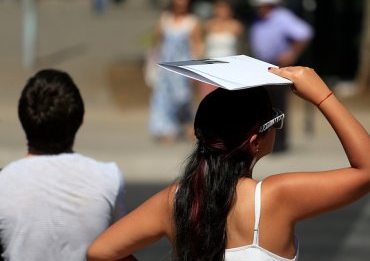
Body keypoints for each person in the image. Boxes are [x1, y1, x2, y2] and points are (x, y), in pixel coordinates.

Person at [86, 66, 370, 261]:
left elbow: (100, 252)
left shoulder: (176, 200)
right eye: (275, 121)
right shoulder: (274, 198)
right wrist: (323, 95)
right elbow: (366, 170)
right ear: (255, 141)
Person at [0, 69, 127, 261]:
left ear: (23, 120)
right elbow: (120, 249)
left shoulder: (4, 182)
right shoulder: (109, 177)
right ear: (80, 120)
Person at [249, 0, 313, 152]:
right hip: (262, 66)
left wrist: (291, 53)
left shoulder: (282, 17)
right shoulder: (258, 19)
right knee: (262, 106)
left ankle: (279, 143)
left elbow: (304, 33)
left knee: (278, 107)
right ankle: (265, 141)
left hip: (277, 67)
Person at [148, 0, 203, 144]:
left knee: (182, 98)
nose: (180, 5)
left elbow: (196, 45)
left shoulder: (192, 21)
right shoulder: (165, 19)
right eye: (178, 1)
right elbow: (157, 43)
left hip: (183, 66)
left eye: (184, 2)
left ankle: (187, 126)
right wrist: (152, 64)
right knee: (163, 99)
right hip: (165, 66)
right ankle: (166, 129)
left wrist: (196, 68)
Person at [199, 0, 245, 99]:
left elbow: (242, 48)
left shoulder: (236, 26)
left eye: (224, 8)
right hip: (209, 67)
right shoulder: (208, 25)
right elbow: (202, 46)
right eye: (219, 8)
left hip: (229, 68)